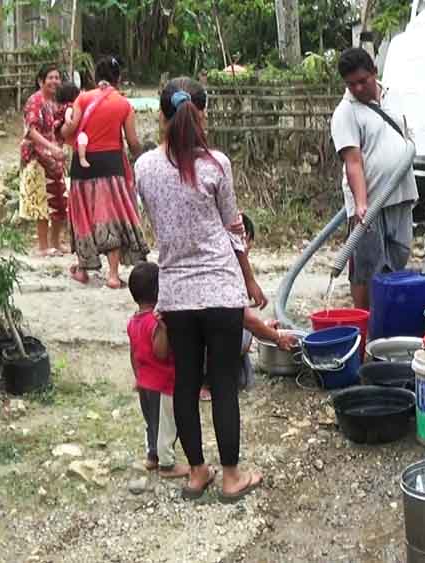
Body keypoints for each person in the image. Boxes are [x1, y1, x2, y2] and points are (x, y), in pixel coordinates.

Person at [134, 76, 265, 502]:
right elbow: (234, 227)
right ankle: (231, 477)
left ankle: (196, 473)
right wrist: (248, 279)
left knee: (186, 381)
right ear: (201, 112)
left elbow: (150, 220)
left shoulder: (144, 168)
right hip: (220, 289)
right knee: (224, 382)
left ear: (160, 114)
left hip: (176, 293)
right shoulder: (217, 165)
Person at [330, 47, 418, 310]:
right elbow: (353, 162)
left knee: (398, 257)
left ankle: (388, 314)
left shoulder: (394, 97)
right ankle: (366, 322)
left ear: (374, 73)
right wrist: (361, 203)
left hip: (401, 195)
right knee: (367, 266)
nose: (357, 88)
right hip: (369, 204)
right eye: (351, 84)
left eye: (362, 81)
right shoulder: (346, 112)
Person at [61, 56, 149, 289]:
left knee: (84, 215)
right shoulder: (123, 104)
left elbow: (69, 129)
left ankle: (82, 270)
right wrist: (143, 154)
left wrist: (66, 122)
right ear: (118, 78)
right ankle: (112, 275)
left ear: (95, 77)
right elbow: (132, 141)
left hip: (82, 165)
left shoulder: (83, 98)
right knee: (110, 217)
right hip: (111, 165)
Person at [199, 214, 295, 400]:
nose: (247, 248)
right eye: (246, 242)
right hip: (206, 344)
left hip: (193, 342)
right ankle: (207, 383)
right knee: (240, 336)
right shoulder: (225, 273)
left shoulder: (206, 261)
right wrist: (277, 338)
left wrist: (264, 326)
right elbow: (245, 320)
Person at [127, 262, 189, 479]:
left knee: (151, 421)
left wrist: (137, 377)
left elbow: (134, 353)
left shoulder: (133, 321)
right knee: (166, 425)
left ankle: (152, 456)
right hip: (163, 383)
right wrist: (164, 329)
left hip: (144, 382)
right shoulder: (156, 322)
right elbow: (161, 353)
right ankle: (167, 464)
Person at [19, 64, 68, 257]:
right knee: (41, 201)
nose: (54, 81)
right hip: (36, 157)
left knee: (58, 198)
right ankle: (43, 246)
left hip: (53, 158)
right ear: (41, 81)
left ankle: (56, 242)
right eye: (51, 77)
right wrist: (51, 147)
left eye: (57, 77)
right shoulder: (35, 101)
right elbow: (31, 131)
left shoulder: (54, 103)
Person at [56, 81, 90, 169]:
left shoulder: (59, 106)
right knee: (83, 137)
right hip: (71, 133)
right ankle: (82, 158)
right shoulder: (72, 106)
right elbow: (69, 111)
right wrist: (68, 120)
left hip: (62, 135)